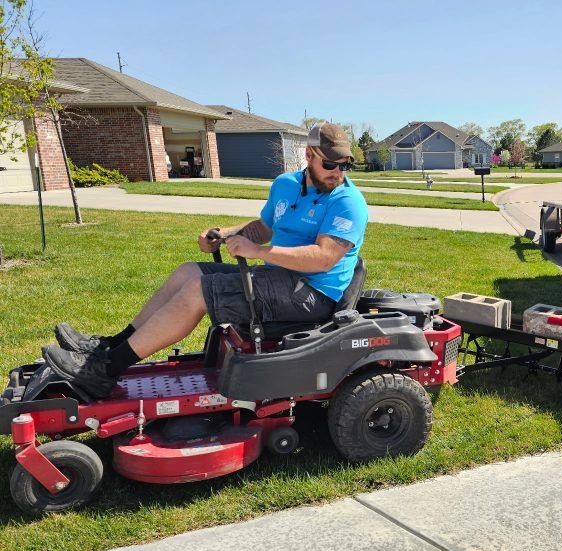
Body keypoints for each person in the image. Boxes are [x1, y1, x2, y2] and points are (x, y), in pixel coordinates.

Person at [43, 122, 369, 398]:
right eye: (331, 164)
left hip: (313, 295)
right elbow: (265, 228)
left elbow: (323, 259)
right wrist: (224, 233)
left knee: (199, 291)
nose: (339, 172)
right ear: (309, 156)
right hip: (278, 277)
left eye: (346, 165)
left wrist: (258, 252)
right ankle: (108, 348)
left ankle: (106, 371)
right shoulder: (285, 185)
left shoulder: (347, 201)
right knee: (189, 271)